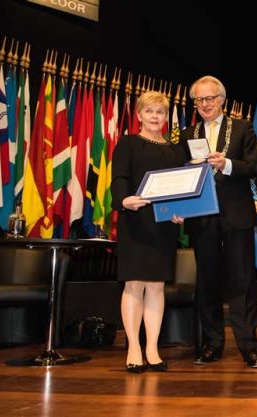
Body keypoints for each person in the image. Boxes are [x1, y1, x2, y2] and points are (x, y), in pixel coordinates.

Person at [178, 76, 257, 368]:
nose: (205, 105)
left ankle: (249, 346)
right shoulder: (187, 134)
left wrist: (224, 164)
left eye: (210, 98)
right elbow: (180, 178)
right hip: (202, 218)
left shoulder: (242, 128)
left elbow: (254, 167)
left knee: (242, 283)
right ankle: (212, 344)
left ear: (222, 100)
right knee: (208, 283)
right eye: (199, 100)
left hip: (236, 216)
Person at [111, 90, 187, 373]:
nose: (155, 117)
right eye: (150, 111)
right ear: (140, 115)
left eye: (160, 112)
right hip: (135, 221)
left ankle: (152, 349)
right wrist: (123, 200)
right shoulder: (129, 143)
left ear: (166, 117)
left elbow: (180, 188)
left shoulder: (175, 149)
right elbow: (119, 178)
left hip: (163, 225)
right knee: (134, 285)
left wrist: (182, 213)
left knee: (156, 286)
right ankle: (133, 347)